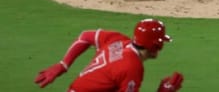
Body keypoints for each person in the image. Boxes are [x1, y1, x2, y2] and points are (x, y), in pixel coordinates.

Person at [34, 18, 183, 92]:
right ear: (156, 46)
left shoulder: (118, 41)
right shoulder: (132, 67)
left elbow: (85, 36)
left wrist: (63, 64)